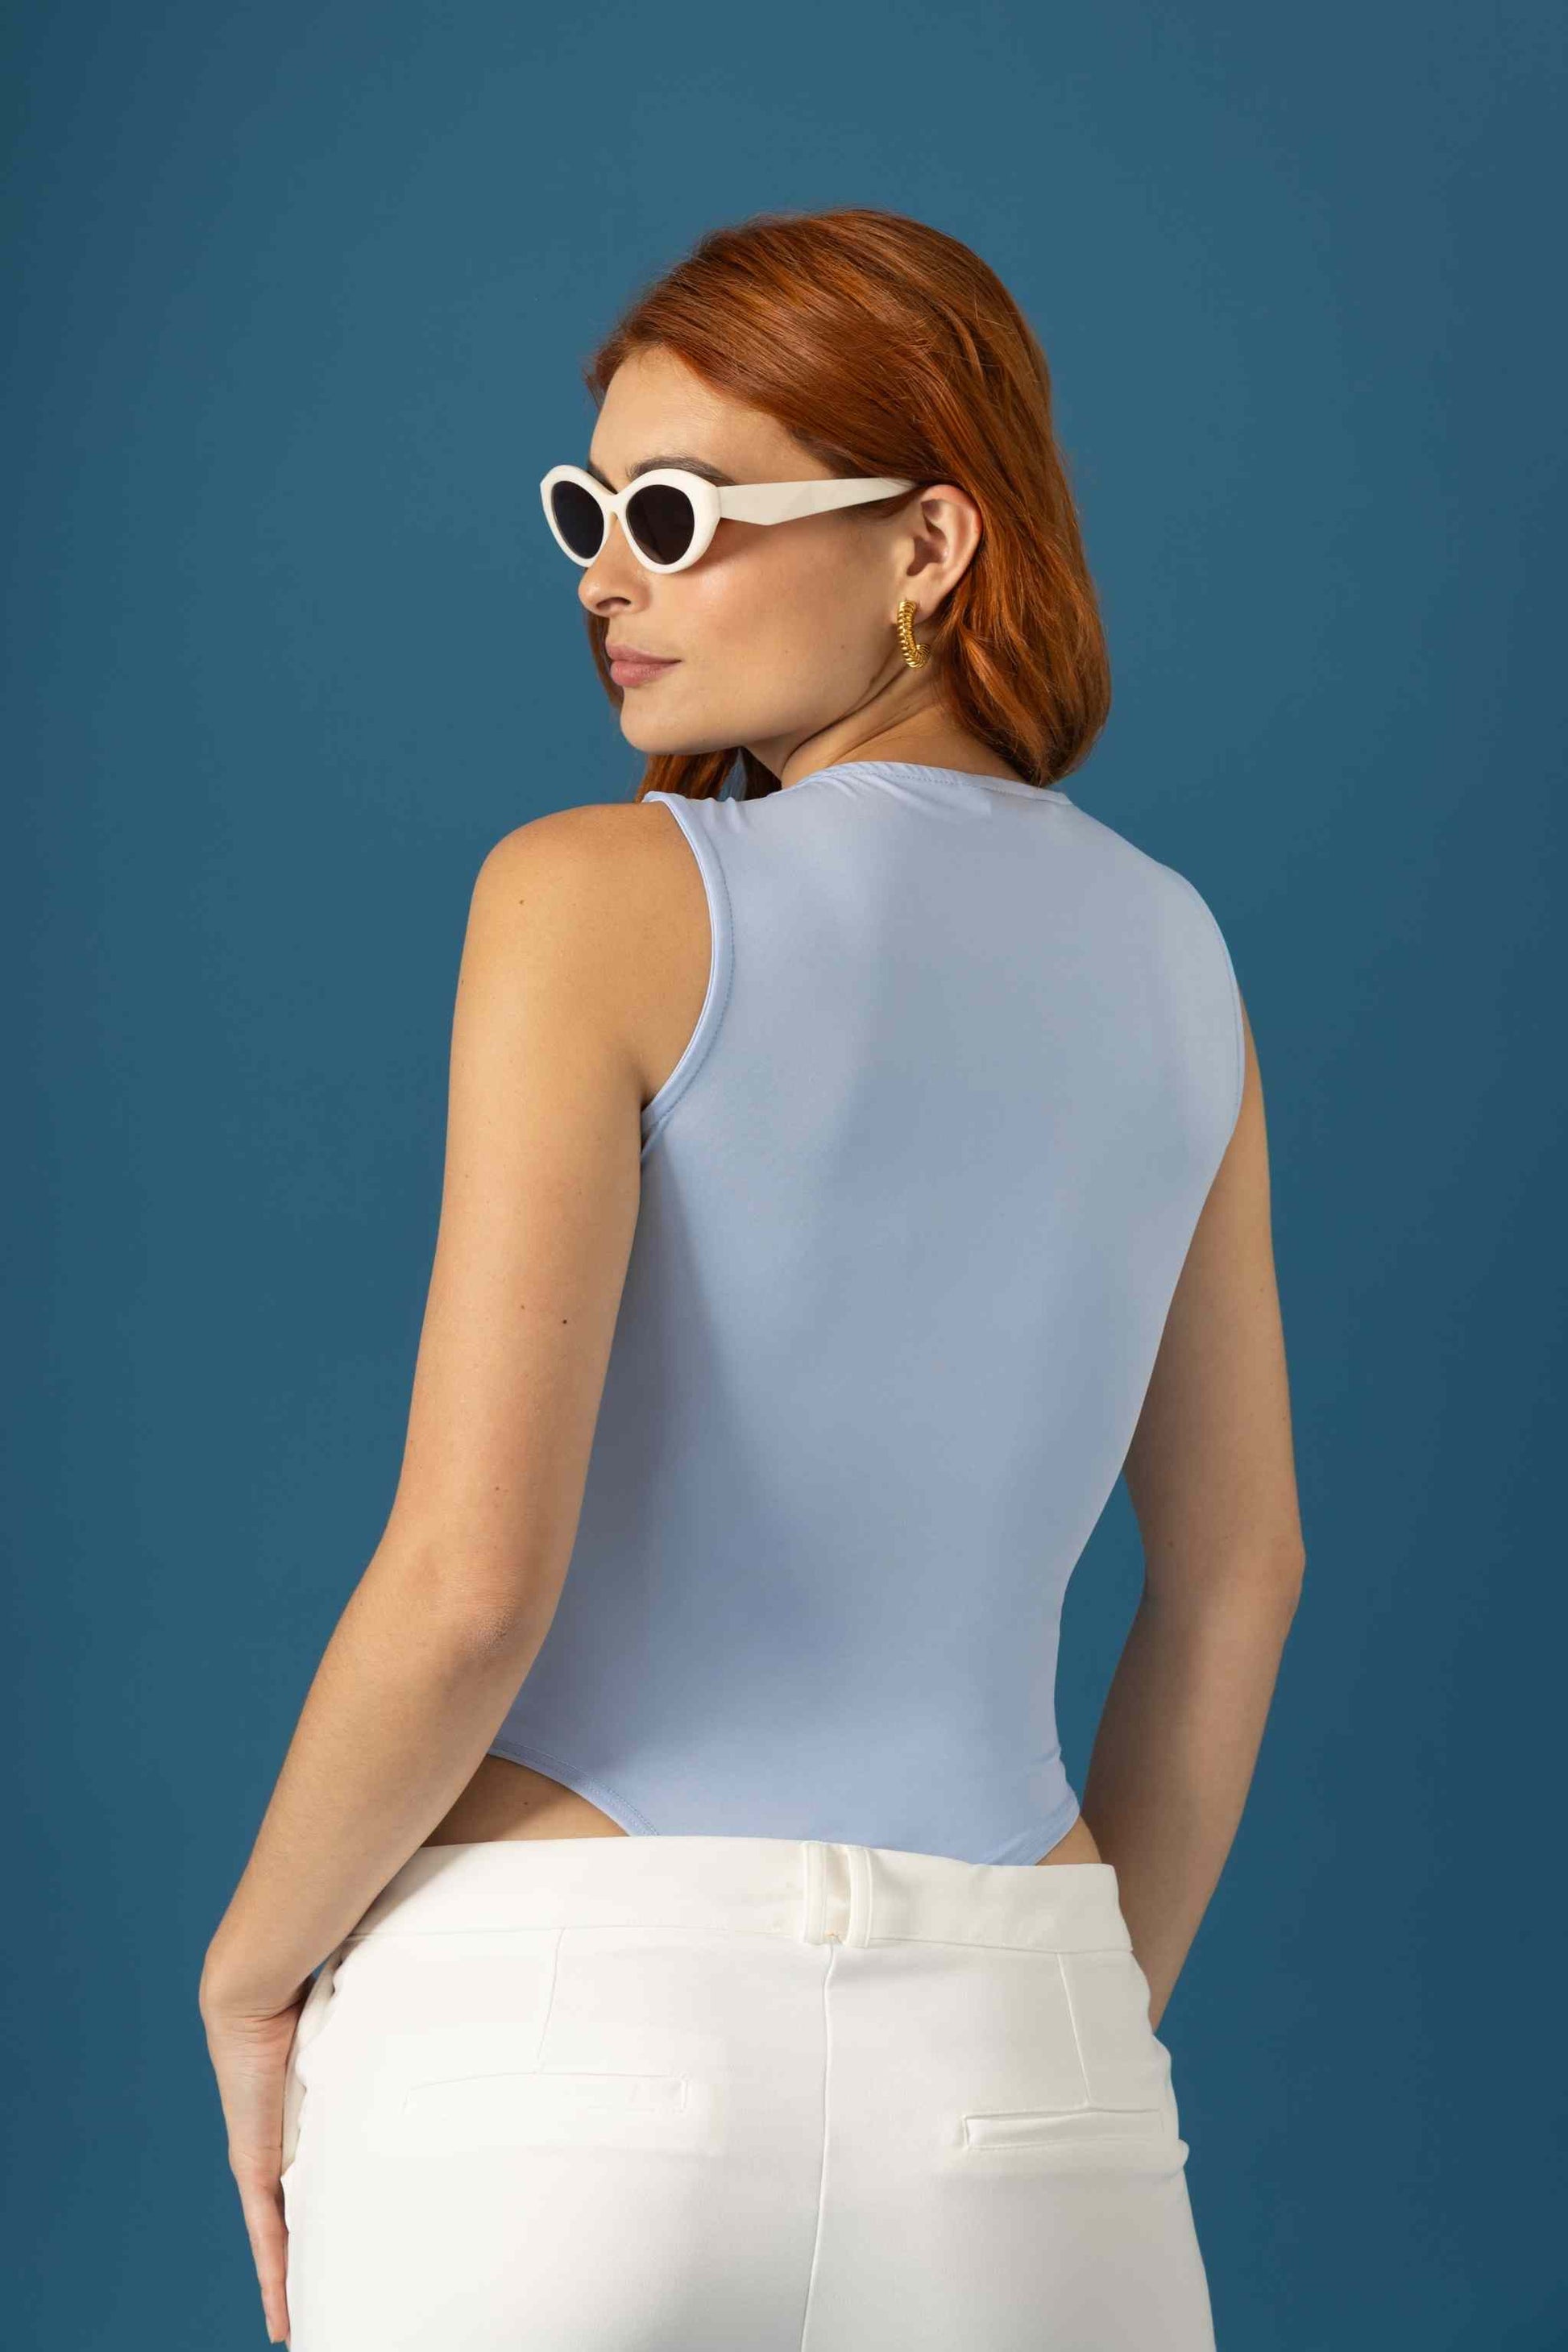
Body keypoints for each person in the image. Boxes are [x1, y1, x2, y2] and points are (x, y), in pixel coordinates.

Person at [200, 205, 1304, 2350]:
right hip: (1019, 2041)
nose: (605, 578)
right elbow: (1238, 1578)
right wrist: (1067, 2025)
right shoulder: (1180, 956)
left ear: (929, 543)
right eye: (588, 511)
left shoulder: (593, 892)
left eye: (680, 516)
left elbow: (469, 1588)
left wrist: (253, 1973)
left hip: (561, 2036)